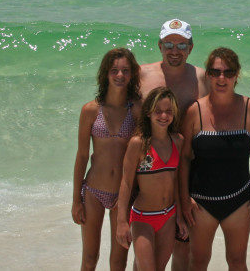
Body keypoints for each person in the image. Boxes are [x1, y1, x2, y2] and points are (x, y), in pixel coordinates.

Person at [179, 47, 250, 271]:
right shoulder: (194, 111)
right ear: (208, 74)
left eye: (228, 73)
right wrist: (183, 198)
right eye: (216, 72)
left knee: (237, 262)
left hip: (239, 200)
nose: (222, 78)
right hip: (200, 203)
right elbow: (184, 158)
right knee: (198, 262)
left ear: (237, 74)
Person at [140, 18, 210, 271]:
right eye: (169, 43)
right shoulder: (141, 74)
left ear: (191, 48)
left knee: (183, 243)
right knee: (144, 251)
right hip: (149, 171)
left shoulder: (203, 78)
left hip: (189, 171)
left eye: (181, 45)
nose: (175, 50)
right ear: (159, 45)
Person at [71, 48, 142, 271]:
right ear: (105, 74)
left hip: (124, 195)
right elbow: (82, 156)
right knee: (90, 258)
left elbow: (142, 156)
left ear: (132, 75)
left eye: (125, 71)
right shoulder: (91, 110)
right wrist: (76, 200)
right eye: (114, 70)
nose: (120, 75)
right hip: (93, 191)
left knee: (118, 262)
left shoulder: (137, 110)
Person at [116, 87, 185, 271]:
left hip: (169, 216)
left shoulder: (177, 140)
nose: (163, 115)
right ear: (148, 112)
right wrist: (121, 222)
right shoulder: (138, 143)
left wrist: (179, 217)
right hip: (142, 218)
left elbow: (176, 181)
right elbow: (127, 182)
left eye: (168, 111)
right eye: (158, 111)